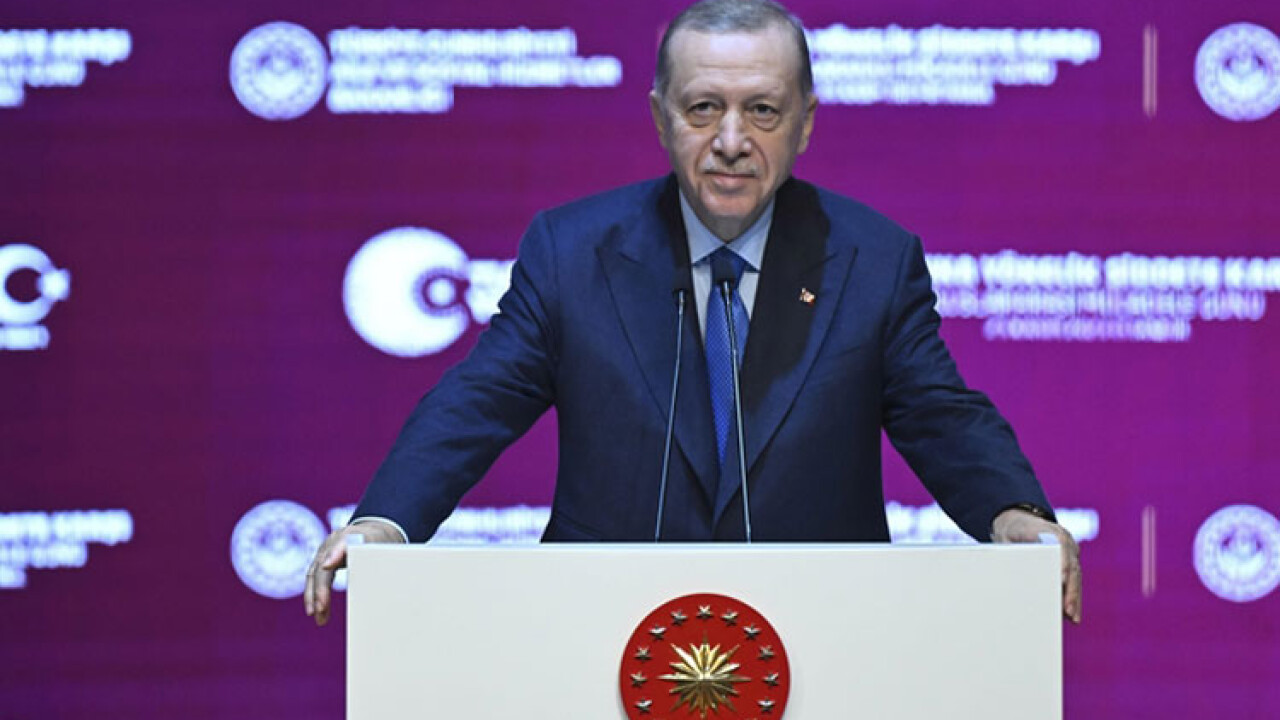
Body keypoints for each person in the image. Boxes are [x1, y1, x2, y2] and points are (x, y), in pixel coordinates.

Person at [305, 0, 1081, 626]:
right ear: (660, 117)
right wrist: (384, 523)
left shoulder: (873, 259)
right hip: (600, 632)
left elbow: (940, 413)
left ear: (807, 121)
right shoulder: (573, 252)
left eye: (763, 111)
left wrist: (1011, 512)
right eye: (704, 108)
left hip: (825, 634)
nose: (731, 141)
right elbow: (478, 401)